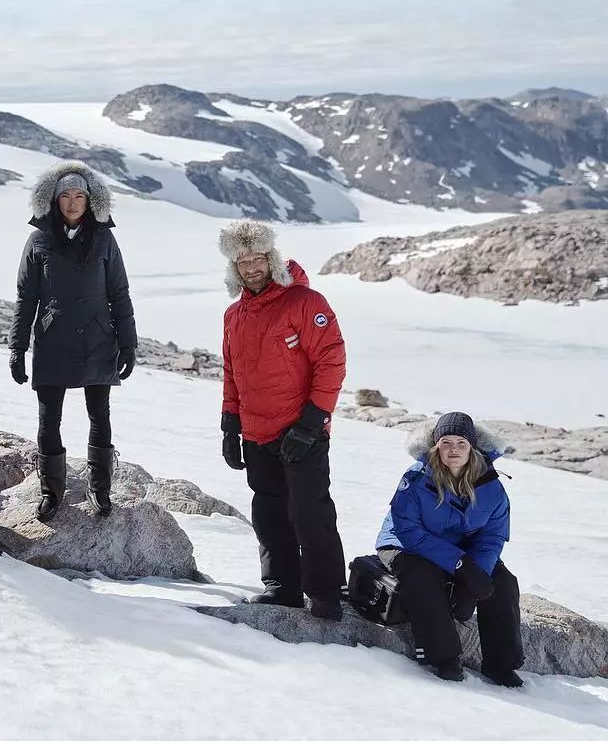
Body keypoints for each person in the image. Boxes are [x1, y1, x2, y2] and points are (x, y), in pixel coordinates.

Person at [218, 220, 347, 620]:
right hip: (256, 433)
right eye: (243, 262)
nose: (251, 267)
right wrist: (230, 424)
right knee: (269, 512)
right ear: (234, 267)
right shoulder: (234, 315)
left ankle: (326, 592)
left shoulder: (305, 302)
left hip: (301, 431)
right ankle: (282, 587)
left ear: (271, 258)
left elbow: (332, 360)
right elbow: (232, 372)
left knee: (310, 511)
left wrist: (312, 422)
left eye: (258, 259)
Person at [9, 161, 137, 521]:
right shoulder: (39, 240)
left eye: (79, 195)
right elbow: (26, 297)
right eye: (65, 195)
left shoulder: (105, 239)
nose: (72, 202)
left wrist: (128, 343)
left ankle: (100, 489)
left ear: (90, 200)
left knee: (100, 414)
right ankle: (51, 492)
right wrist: (17, 348)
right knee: (49, 420)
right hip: (53, 341)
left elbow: (119, 292)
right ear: (54, 199)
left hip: (98, 339)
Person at [376, 411, 523, 686]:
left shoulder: (491, 486)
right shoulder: (417, 479)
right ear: (436, 446)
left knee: (502, 583)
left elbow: (492, 535)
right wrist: (460, 565)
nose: (453, 449)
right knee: (423, 579)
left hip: (461, 549)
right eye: (446, 443)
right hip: (407, 545)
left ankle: (501, 664)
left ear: (472, 447)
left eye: (461, 443)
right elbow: (408, 531)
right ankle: (443, 657)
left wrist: (475, 576)